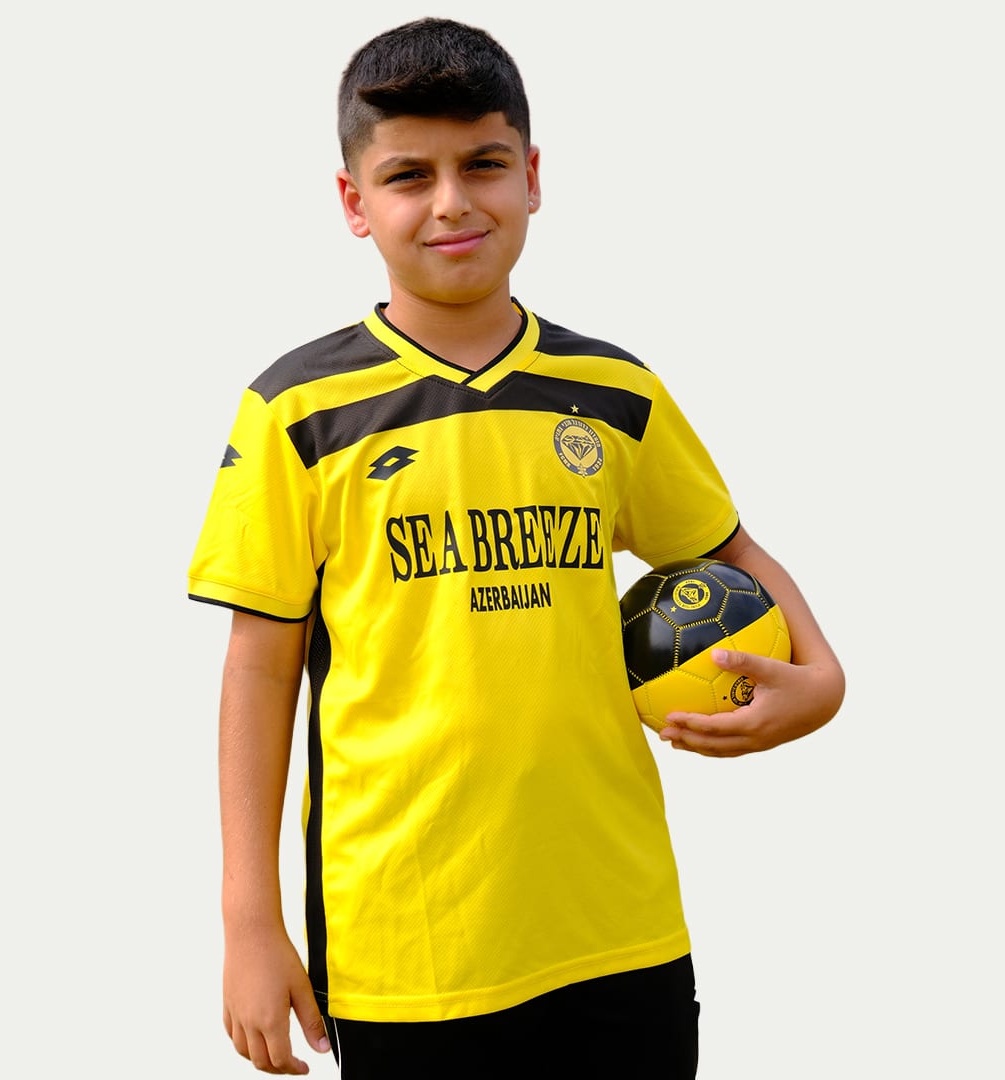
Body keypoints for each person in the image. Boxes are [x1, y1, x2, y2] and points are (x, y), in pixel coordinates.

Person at [187, 17, 845, 1079]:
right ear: (355, 203)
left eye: (484, 164)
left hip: (619, 924)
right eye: (409, 175)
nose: (451, 201)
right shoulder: (297, 411)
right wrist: (248, 920)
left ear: (532, 177)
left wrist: (823, 681)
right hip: (409, 942)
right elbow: (260, 670)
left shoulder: (614, 394)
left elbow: (731, 552)